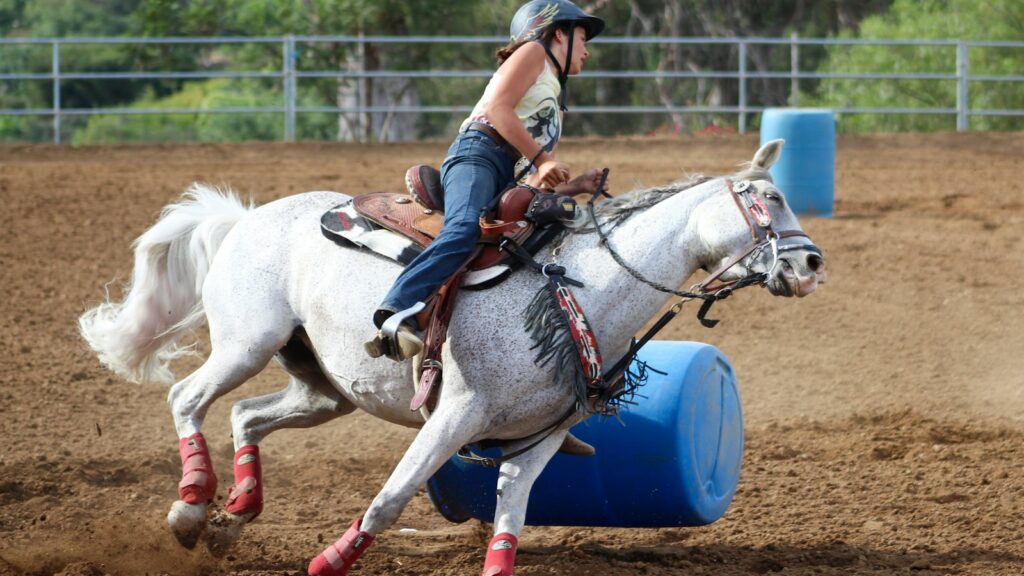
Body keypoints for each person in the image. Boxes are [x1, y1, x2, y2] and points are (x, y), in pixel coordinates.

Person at [365, 0, 608, 361]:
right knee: (463, 229)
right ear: (559, 32)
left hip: (503, 170)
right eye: (583, 38)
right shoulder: (533, 53)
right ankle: (394, 311)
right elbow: (496, 109)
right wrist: (543, 160)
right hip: (477, 153)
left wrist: (576, 186)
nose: (587, 51)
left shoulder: (553, 94)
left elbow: (532, 177)